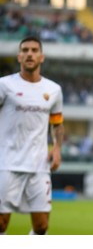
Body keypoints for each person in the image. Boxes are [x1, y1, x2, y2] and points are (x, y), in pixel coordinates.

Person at [0, 36, 64, 235]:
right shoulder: (4, 85)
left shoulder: (53, 90)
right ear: (19, 56)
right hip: (7, 164)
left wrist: (57, 148)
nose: (30, 54)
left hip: (39, 166)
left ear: (41, 57)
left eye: (34, 50)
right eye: (25, 50)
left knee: (42, 226)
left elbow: (57, 124)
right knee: (1, 223)